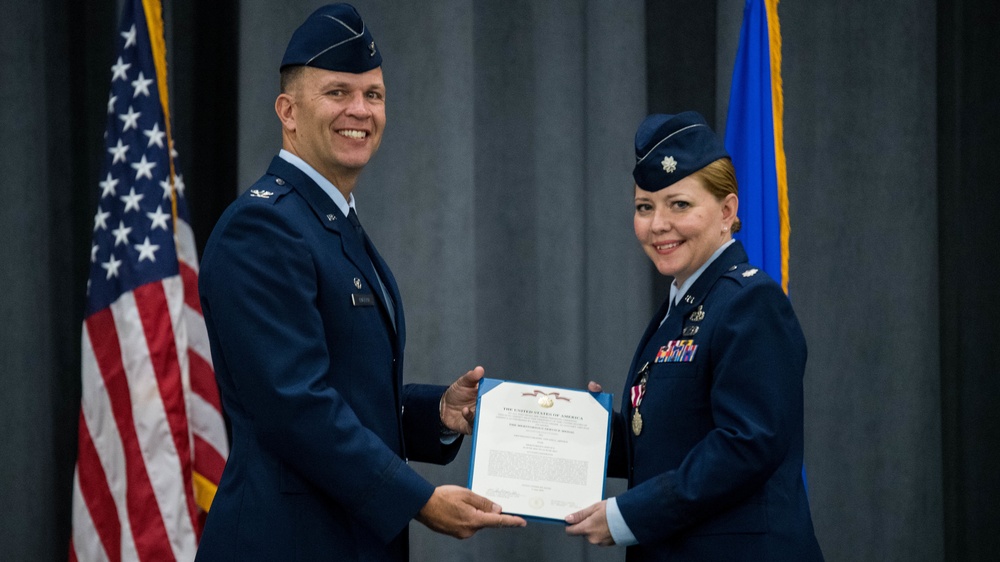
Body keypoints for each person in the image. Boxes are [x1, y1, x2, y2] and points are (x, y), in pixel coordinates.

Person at [195, 4, 525, 560]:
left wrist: (435, 413)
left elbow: (346, 391)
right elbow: (297, 406)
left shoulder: (326, 219)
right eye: (338, 92)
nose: (360, 110)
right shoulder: (263, 226)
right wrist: (418, 499)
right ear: (288, 111)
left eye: (373, 94)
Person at [564, 111, 823, 561]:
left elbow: (747, 444)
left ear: (727, 211)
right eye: (645, 207)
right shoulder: (682, 306)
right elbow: (671, 439)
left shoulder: (749, 303)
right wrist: (586, 432)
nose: (658, 224)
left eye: (678, 204)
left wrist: (628, 514)